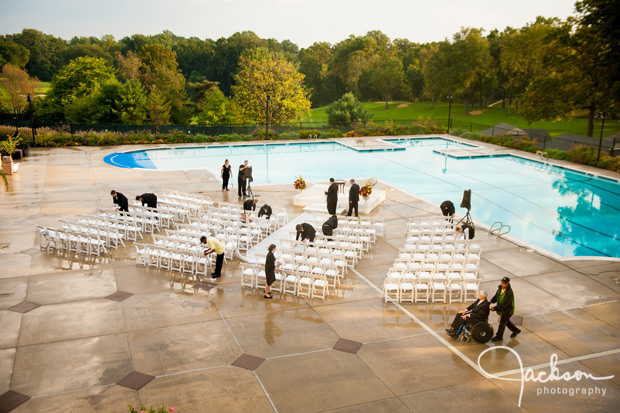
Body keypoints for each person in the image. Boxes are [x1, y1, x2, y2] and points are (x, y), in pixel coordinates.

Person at [490, 277, 521, 341]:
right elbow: (496, 296)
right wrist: (491, 301)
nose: (502, 285)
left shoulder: (509, 292)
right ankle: (516, 330)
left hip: (508, 310)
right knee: (506, 322)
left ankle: (499, 336)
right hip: (503, 309)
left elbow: (504, 304)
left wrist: (495, 308)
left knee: (502, 323)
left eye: (504, 284)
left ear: (508, 284)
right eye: (501, 283)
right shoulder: (500, 288)